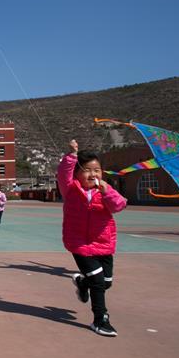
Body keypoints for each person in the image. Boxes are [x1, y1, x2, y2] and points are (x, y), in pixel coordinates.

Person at [57, 139, 128, 337]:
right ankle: (100, 320)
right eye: (87, 170)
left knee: (106, 282)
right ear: (77, 174)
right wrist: (71, 155)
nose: (93, 174)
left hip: (104, 243)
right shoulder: (70, 189)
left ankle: (82, 283)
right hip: (79, 243)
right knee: (97, 281)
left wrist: (107, 193)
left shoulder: (105, 191)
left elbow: (119, 206)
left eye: (97, 170)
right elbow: (63, 172)